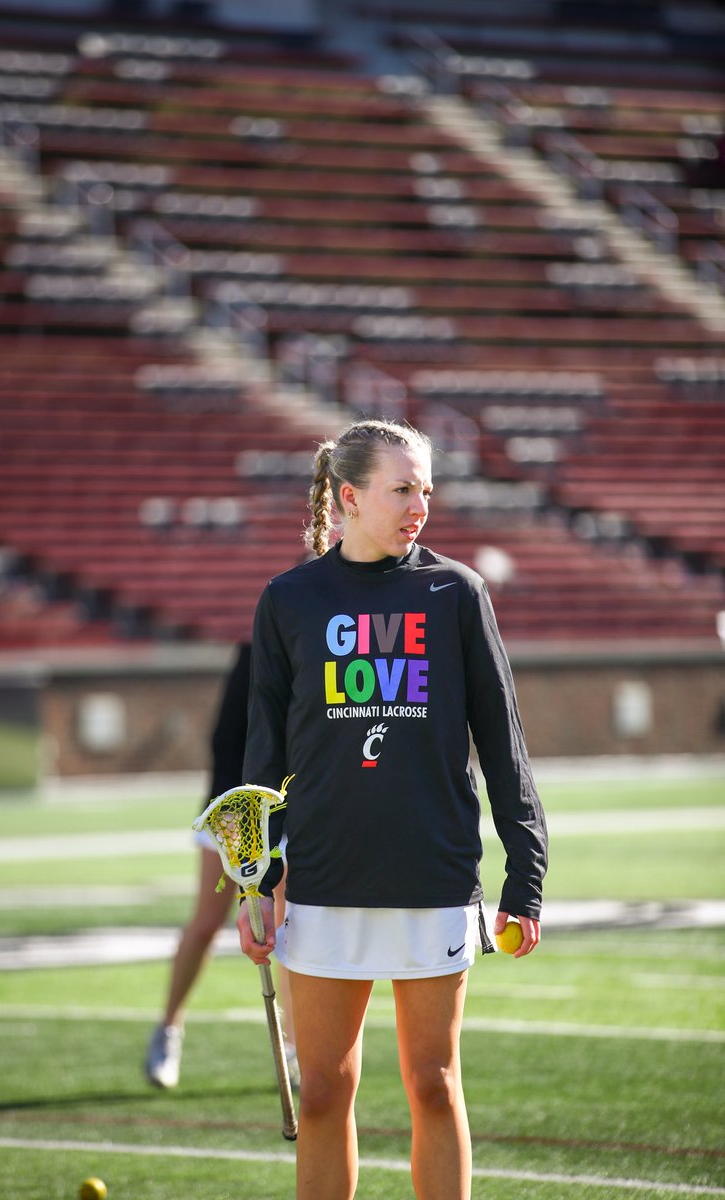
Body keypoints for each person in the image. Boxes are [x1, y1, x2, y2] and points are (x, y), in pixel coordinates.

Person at [236, 418, 548, 1200]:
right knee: (325, 1092)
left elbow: (502, 742)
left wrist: (526, 876)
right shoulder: (289, 600)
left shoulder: (456, 593)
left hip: (432, 876)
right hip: (322, 878)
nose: (421, 505)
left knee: (435, 1086)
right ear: (349, 496)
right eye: (402, 488)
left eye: (427, 489)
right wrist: (255, 878)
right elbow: (262, 759)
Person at [144, 641, 298, 1090]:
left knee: (288, 928)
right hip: (234, 811)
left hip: (290, 813)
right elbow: (226, 739)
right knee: (207, 922)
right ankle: (168, 1030)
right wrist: (236, 815)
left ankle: (293, 1049)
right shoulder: (257, 650)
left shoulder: (331, 644)